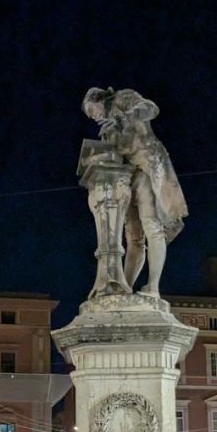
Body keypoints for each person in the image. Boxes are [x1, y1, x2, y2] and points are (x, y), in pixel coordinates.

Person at [82, 87, 187, 295]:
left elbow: (150, 108)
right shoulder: (105, 129)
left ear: (99, 100)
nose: (92, 116)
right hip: (126, 180)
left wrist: (122, 119)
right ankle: (124, 289)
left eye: (91, 110)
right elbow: (112, 155)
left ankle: (153, 287)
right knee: (134, 238)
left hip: (148, 168)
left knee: (152, 225)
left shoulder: (123, 98)